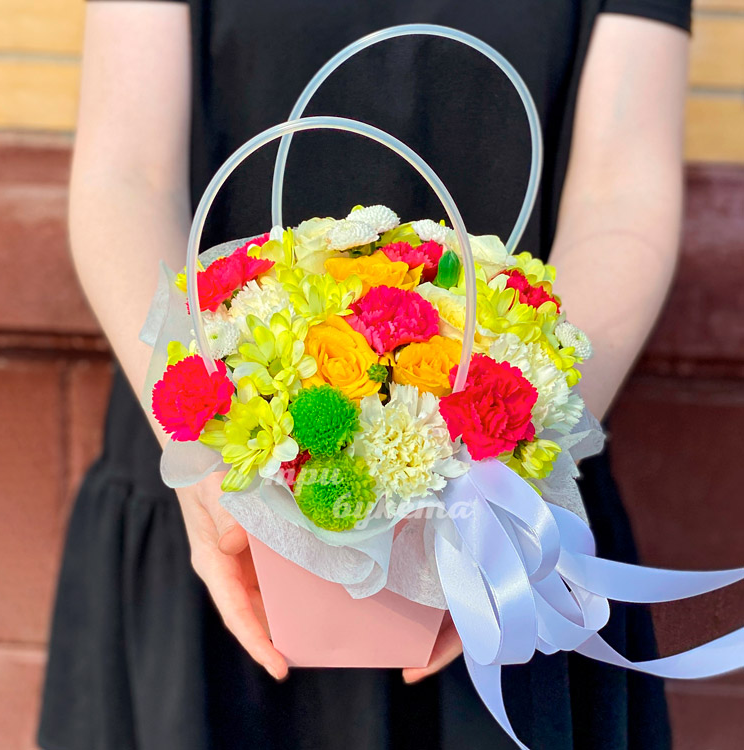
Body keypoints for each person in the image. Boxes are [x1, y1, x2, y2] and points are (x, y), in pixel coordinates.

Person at [38, 1, 691, 748]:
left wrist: (515, 472)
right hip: (221, 500)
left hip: (494, 520)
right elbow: (128, 174)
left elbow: (621, 194)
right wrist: (201, 455)